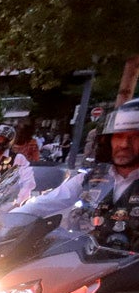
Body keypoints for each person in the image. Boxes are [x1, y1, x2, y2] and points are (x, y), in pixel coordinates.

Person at [25, 99, 139, 249]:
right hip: (83, 262)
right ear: (107, 140)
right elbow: (47, 202)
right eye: (119, 136)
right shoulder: (92, 177)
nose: (124, 144)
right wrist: (6, 221)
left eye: (135, 137)